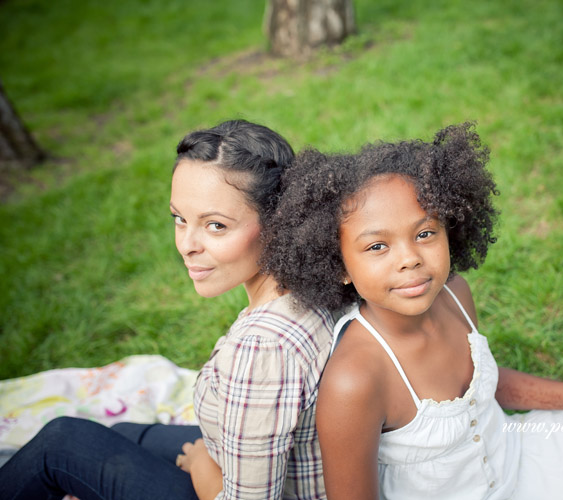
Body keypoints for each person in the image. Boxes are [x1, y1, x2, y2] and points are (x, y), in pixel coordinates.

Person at [262, 123, 563, 500]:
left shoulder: (455, 294)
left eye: (425, 233)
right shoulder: (354, 379)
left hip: (513, 454)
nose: (410, 259)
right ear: (339, 266)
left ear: (450, 228)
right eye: (378, 246)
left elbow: (486, 381)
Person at [0, 120, 334, 500]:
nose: (187, 244)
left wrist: (202, 467)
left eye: (215, 225)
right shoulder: (316, 284)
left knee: (61, 445)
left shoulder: (263, 348)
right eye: (179, 218)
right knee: (123, 433)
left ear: (279, 223)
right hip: (252, 458)